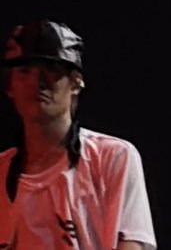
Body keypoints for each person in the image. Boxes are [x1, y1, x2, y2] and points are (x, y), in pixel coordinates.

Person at [0, 20, 157, 249]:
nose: (37, 82)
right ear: (10, 87)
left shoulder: (112, 157)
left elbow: (132, 243)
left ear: (76, 83)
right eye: (25, 71)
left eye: (51, 70)